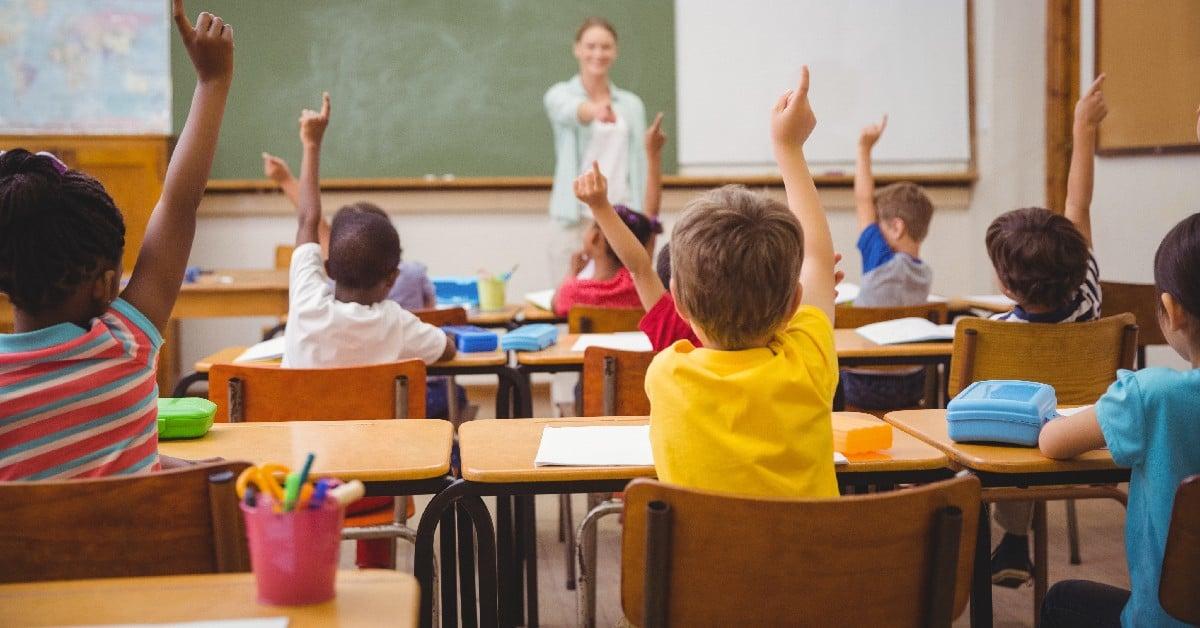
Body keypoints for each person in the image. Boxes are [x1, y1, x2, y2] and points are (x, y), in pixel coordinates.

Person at [0, 0, 233, 480]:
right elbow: (179, 203)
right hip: (149, 559)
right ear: (107, 286)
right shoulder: (126, 346)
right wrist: (213, 83)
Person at [643, 67, 840, 497]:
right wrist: (788, 148)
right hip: (816, 565)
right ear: (793, 305)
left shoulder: (666, 374)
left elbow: (816, 265)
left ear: (676, 299)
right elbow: (820, 261)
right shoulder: (808, 362)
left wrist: (786, 144)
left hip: (704, 568)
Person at [281, 92, 454, 569]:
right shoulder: (397, 323)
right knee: (377, 462)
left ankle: (304, 584)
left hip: (300, 485)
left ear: (328, 264)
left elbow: (306, 220)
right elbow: (448, 351)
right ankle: (377, 585)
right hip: (377, 491)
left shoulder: (307, 302)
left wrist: (311, 145)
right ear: (393, 278)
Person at [1038, 211, 1200, 628]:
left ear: (1171, 310)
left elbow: (1053, 442)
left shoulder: (1152, 396)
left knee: (1062, 599)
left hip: (1166, 621)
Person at [987, 75, 1108, 587]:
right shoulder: (1090, 299)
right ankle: (1014, 543)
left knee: (1006, 433)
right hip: (1090, 427)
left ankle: (1011, 540)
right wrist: (1082, 129)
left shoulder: (994, 332)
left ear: (1005, 285)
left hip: (1019, 448)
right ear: (1078, 266)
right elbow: (1078, 204)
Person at [544, 16, 648, 286]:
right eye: (590, 46)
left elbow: (640, 164)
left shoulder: (631, 105)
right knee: (570, 297)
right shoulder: (559, 94)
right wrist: (595, 111)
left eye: (605, 47)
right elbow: (569, 110)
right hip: (574, 217)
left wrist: (644, 217)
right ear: (577, 49)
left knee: (622, 298)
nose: (598, 54)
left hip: (620, 216)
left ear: (615, 51)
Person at [842, 115, 937, 409]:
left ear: (896, 228)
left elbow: (863, 200)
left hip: (864, 383)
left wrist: (863, 150)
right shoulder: (924, 275)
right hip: (911, 383)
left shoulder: (880, 260)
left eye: (880, 226)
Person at [260, 153, 435, 311]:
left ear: (330, 267)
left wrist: (286, 178)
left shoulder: (325, 296)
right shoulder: (414, 275)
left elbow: (312, 222)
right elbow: (431, 313)